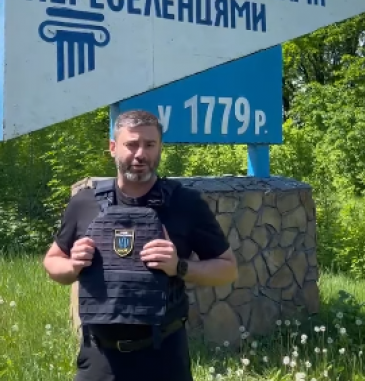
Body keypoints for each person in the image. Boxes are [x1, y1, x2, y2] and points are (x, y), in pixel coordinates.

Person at [43, 109, 238, 381]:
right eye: (131, 144)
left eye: (149, 144)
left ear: (160, 148)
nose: (140, 154)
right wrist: (73, 266)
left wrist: (179, 267)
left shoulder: (186, 204)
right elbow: (52, 261)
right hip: (99, 359)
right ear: (113, 148)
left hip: (163, 358)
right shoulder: (84, 203)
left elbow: (228, 269)